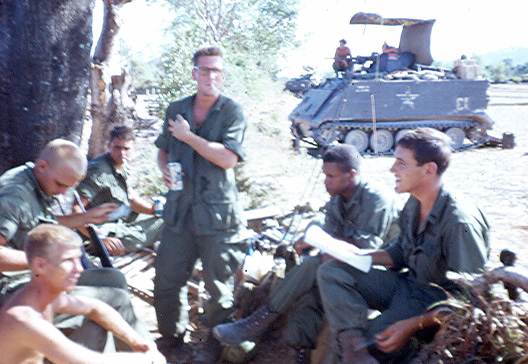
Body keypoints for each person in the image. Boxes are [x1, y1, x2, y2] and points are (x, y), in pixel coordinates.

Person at [213, 144, 401, 364]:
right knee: (308, 294)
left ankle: (258, 321)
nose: (325, 181)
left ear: (351, 175)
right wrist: (312, 235)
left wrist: (325, 242)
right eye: (324, 175)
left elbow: (365, 248)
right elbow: (329, 229)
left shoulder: (377, 199)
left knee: (316, 264)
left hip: (382, 274)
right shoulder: (338, 199)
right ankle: (302, 355)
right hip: (346, 268)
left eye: (331, 176)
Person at [316, 128, 490, 364]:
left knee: (377, 341)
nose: (392, 169)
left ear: (429, 169)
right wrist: (356, 254)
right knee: (332, 270)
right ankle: (353, 346)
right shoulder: (414, 202)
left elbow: (471, 300)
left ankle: (396, 351)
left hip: (433, 303)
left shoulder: (460, 222)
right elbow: (399, 253)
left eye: (401, 163)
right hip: (408, 287)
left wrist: (413, 325)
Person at [0, 138, 150, 353]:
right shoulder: (15, 196)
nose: (62, 193)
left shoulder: (37, 181)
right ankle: (144, 355)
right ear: (42, 166)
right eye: (60, 185)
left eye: (68, 188)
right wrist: (49, 262)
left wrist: (86, 218)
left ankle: (130, 351)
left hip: (38, 275)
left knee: (113, 278)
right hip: (14, 288)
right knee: (115, 300)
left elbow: (38, 223)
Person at [154, 46, 249, 362]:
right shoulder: (177, 109)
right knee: (167, 282)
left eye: (216, 71)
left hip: (217, 216)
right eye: (205, 70)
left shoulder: (231, 111)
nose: (211, 76)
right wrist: (164, 170)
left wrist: (189, 136)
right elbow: (163, 149)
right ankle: (172, 341)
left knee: (219, 288)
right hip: (180, 212)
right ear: (194, 73)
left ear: (222, 75)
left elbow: (227, 158)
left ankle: (214, 345)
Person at [0, 223, 166, 364]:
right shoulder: (24, 319)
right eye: (68, 261)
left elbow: (97, 308)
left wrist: (139, 343)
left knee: (98, 324)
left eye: (78, 259)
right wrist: (147, 359)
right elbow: (88, 361)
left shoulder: (46, 298)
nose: (79, 268)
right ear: (40, 266)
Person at [75, 125, 163, 255]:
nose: (122, 153)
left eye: (126, 149)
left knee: (168, 218)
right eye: (117, 147)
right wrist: (98, 238)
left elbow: (131, 199)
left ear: (133, 149)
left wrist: (153, 210)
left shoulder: (122, 164)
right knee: (161, 226)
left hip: (120, 220)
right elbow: (76, 209)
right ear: (109, 146)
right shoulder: (98, 171)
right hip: (100, 232)